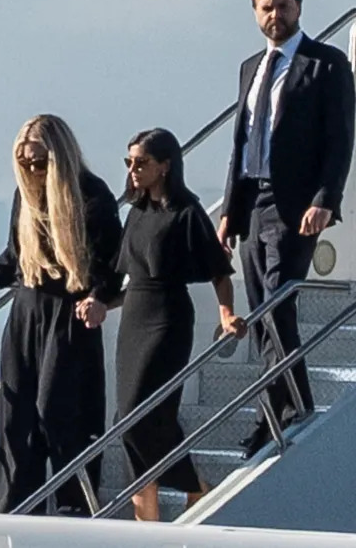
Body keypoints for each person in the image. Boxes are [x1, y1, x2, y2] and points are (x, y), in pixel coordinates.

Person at [0, 114, 123, 516]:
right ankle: (16, 512)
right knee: (16, 418)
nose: (33, 171)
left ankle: (75, 507)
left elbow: (113, 264)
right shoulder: (26, 197)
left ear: (60, 157)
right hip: (27, 312)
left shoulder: (93, 196)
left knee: (58, 413)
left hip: (68, 314)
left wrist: (99, 298)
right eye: (25, 163)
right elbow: (13, 260)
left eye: (40, 162)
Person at [217, 0, 356, 460]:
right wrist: (229, 212)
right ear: (256, 14)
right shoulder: (251, 68)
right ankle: (284, 406)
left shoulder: (326, 64)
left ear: (299, 8)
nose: (275, 14)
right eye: (267, 8)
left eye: (283, 6)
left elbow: (339, 139)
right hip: (252, 202)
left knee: (278, 303)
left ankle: (285, 410)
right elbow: (241, 142)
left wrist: (326, 199)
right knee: (260, 312)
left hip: (295, 205)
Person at [93, 128, 245, 521]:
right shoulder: (136, 212)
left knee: (141, 415)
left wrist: (226, 313)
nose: (133, 170)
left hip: (167, 319)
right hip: (134, 318)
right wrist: (98, 302)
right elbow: (122, 275)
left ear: (165, 166)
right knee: (130, 419)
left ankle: (195, 485)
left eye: (141, 162)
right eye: (128, 162)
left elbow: (219, 271)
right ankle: (149, 519)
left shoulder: (187, 212)